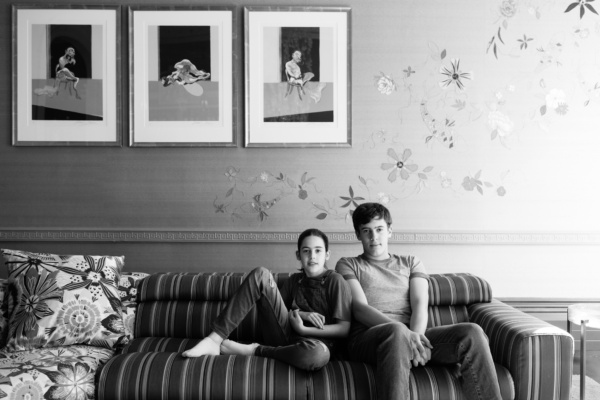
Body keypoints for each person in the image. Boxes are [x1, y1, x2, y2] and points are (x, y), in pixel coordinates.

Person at [335, 202, 503, 400]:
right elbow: (360, 309)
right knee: (396, 332)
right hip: (367, 337)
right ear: (358, 235)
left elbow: (420, 304)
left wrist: (415, 338)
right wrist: (405, 334)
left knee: (472, 332)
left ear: (389, 231)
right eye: (366, 231)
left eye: (379, 229)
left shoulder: (411, 262)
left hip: (414, 334)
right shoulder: (348, 264)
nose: (374, 237)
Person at [182, 228, 352, 371]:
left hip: (316, 345)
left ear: (327, 254)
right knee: (261, 273)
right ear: (298, 255)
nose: (312, 256)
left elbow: (343, 329)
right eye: (306, 251)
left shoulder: (335, 281)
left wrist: (304, 330)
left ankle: (255, 350)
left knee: (317, 355)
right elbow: (278, 312)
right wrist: (303, 314)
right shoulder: (294, 280)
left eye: (318, 250)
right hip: (283, 336)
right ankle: (214, 339)